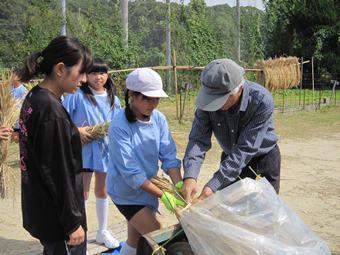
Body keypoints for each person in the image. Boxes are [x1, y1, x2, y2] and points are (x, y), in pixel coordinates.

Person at [18, 36, 92, 255]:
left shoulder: (35, 97)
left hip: (42, 208)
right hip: (59, 220)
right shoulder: (51, 110)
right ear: (60, 69)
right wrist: (72, 223)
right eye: (81, 72)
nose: (85, 79)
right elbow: (58, 172)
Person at [107, 68, 184, 255]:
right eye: (147, 98)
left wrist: (178, 185)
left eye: (156, 98)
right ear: (132, 95)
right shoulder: (119, 126)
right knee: (157, 234)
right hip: (126, 192)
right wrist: (164, 195)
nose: (153, 104)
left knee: (135, 240)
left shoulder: (158, 119)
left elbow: (168, 154)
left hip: (148, 189)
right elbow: (131, 173)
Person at [182, 58, 281, 201]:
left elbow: (245, 149)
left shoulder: (261, 100)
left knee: (263, 211)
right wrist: (190, 176)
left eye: (220, 100)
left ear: (239, 89)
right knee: (231, 212)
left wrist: (214, 184)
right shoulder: (207, 103)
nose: (213, 106)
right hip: (230, 158)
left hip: (262, 160)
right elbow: (198, 139)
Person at [63, 58, 121, 249]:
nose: (98, 77)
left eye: (102, 72)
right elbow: (62, 119)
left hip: (106, 151)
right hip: (84, 151)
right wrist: (77, 131)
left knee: (103, 190)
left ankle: (102, 231)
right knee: (83, 192)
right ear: (86, 76)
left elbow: (119, 124)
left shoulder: (114, 98)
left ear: (108, 75)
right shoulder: (76, 95)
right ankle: (81, 235)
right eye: (94, 73)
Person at [10, 70, 28, 143]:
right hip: (11, 118)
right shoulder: (11, 89)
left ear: (19, 77)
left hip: (18, 118)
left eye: (13, 76)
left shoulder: (23, 90)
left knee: (17, 139)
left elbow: (25, 105)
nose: (10, 78)